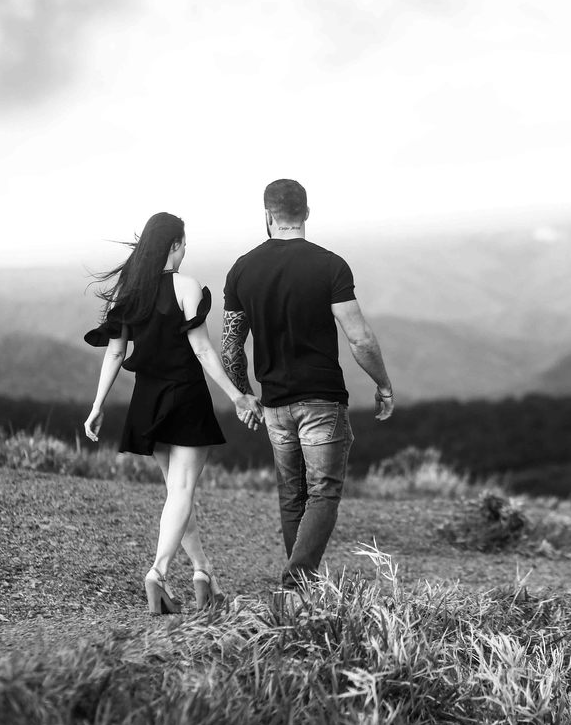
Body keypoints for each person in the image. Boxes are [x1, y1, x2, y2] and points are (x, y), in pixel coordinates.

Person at [83, 211, 262, 615]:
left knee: (177, 495)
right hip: (185, 397)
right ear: (175, 245)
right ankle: (158, 574)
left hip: (147, 401)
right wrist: (237, 396)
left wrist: (97, 406)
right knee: (181, 492)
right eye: (184, 245)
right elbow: (202, 350)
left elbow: (115, 353)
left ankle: (203, 573)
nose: (185, 252)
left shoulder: (130, 292)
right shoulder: (186, 286)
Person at [221, 179, 394, 593]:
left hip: (274, 403)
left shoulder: (242, 268)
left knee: (291, 495)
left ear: (268, 214)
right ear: (307, 213)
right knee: (323, 493)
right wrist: (383, 385)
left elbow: (230, 346)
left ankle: (301, 588)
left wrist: (244, 394)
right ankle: (298, 578)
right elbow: (359, 338)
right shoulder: (330, 265)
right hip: (321, 398)